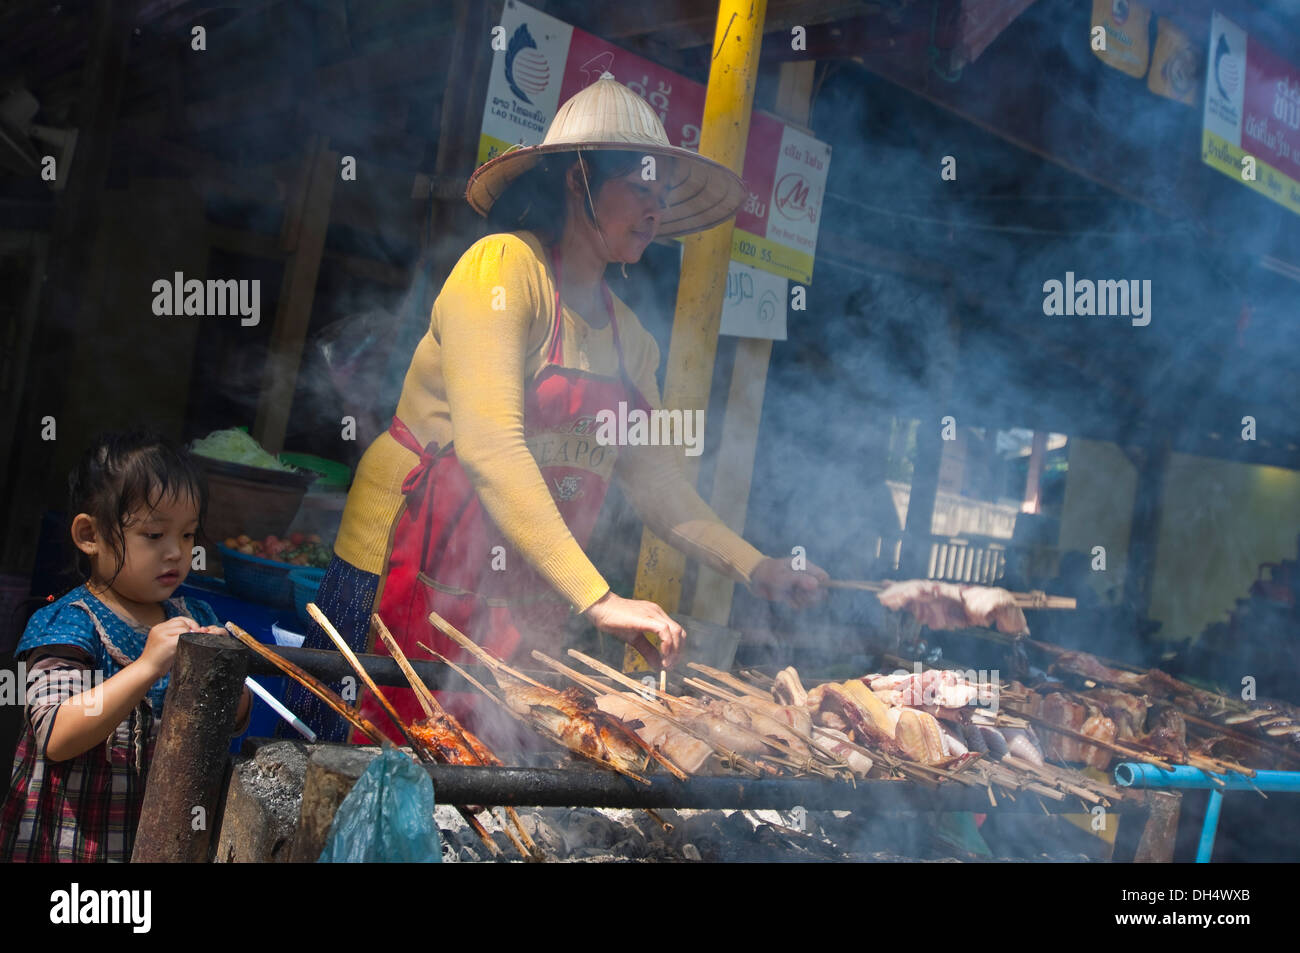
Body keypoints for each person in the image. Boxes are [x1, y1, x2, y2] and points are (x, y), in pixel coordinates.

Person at [294, 73, 827, 744]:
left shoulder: (632, 339)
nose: (656, 211)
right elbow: (491, 447)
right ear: (578, 180)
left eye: (663, 197)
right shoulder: (501, 271)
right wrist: (601, 598)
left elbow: (656, 483)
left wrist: (757, 567)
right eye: (640, 188)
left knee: (478, 764)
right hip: (406, 559)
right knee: (349, 757)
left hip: (523, 586)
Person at [0, 432, 249, 862]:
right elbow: (56, 736)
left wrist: (228, 675)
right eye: (154, 534)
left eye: (188, 535)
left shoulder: (198, 617)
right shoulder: (70, 623)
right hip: (74, 850)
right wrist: (147, 666)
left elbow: (235, 720)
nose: (176, 552)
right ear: (90, 535)